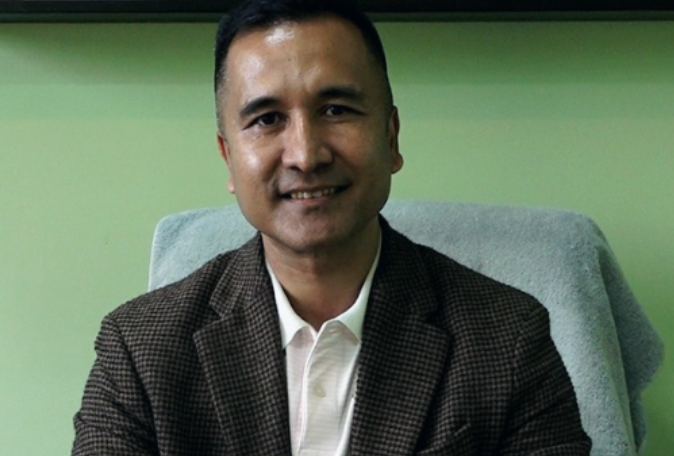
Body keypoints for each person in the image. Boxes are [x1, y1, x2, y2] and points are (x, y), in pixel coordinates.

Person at [72, 0, 592, 454]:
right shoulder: (139, 350)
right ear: (229, 158)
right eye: (267, 119)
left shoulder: (507, 338)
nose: (305, 155)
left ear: (391, 137)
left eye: (336, 109)